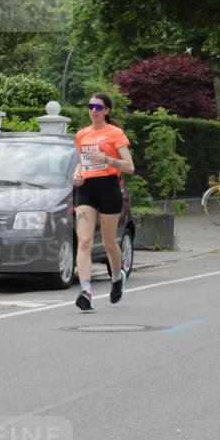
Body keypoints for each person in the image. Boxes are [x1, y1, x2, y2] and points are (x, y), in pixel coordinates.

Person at [73, 93, 134, 311]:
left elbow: (130, 166)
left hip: (108, 188)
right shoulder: (81, 134)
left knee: (109, 242)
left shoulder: (115, 133)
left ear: (107, 110)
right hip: (86, 190)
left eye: (98, 107)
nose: (94, 110)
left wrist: (106, 159)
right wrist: (76, 175)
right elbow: (81, 162)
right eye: (90, 106)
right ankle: (86, 292)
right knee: (84, 241)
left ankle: (117, 277)